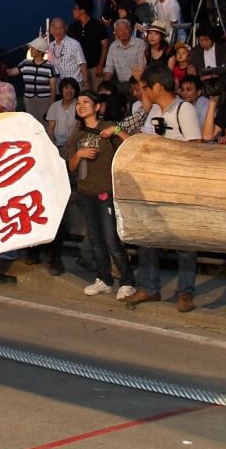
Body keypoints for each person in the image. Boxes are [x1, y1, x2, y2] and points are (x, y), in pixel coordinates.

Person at [120, 64, 201, 312]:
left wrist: (168, 154)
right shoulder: (153, 110)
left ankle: (185, 292)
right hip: (152, 185)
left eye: (145, 86)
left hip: (179, 186)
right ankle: (149, 287)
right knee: (148, 238)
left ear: (157, 87)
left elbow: (196, 146)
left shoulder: (184, 109)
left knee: (185, 242)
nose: (143, 91)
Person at [66, 90, 137, 301]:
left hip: (106, 191)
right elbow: (71, 167)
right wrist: (79, 154)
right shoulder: (76, 136)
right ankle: (104, 279)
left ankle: (127, 281)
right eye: (78, 102)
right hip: (86, 193)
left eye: (86, 102)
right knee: (96, 240)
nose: (81, 105)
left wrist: (115, 130)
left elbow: (130, 145)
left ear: (97, 107)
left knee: (111, 239)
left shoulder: (108, 127)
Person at [7, 36, 56, 122]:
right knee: (31, 123)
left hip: (44, 100)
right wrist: (0, 67)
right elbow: (11, 72)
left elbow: (53, 89)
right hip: (29, 99)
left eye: (33, 49)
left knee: (44, 123)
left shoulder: (49, 67)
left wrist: (51, 106)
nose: (31, 50)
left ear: (39, 51)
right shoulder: (25, 63)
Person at [100, 18, 146, 95]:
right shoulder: (113, 46)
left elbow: (142, 67)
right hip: (120, 84)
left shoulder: (140, 44)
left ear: (130, 30)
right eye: (120, 30)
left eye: (126, 29)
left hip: (136, 83)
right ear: (115, 33)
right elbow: (109, 68)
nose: (123, 32)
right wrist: (105, 86)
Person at [46, 16, 88, 95]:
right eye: (55, 29)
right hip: (59, 88)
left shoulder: (74, 44)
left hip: (74, 87)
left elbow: (82, 64)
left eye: (60, 28)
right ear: (51, 31)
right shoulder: (50, 46)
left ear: (65, 28)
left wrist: (86, 83)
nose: (58, 31)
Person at [43, 76, 80, 150]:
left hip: (75, 144)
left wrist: (69, 143)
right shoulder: (54, 106)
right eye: (66, 88)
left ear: (76, 91)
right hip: (58, 145)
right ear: (61, 90)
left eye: (72, 88)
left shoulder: (79, 105)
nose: (69, 91)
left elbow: (78, 127)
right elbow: (50, 130)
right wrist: (53, 147)